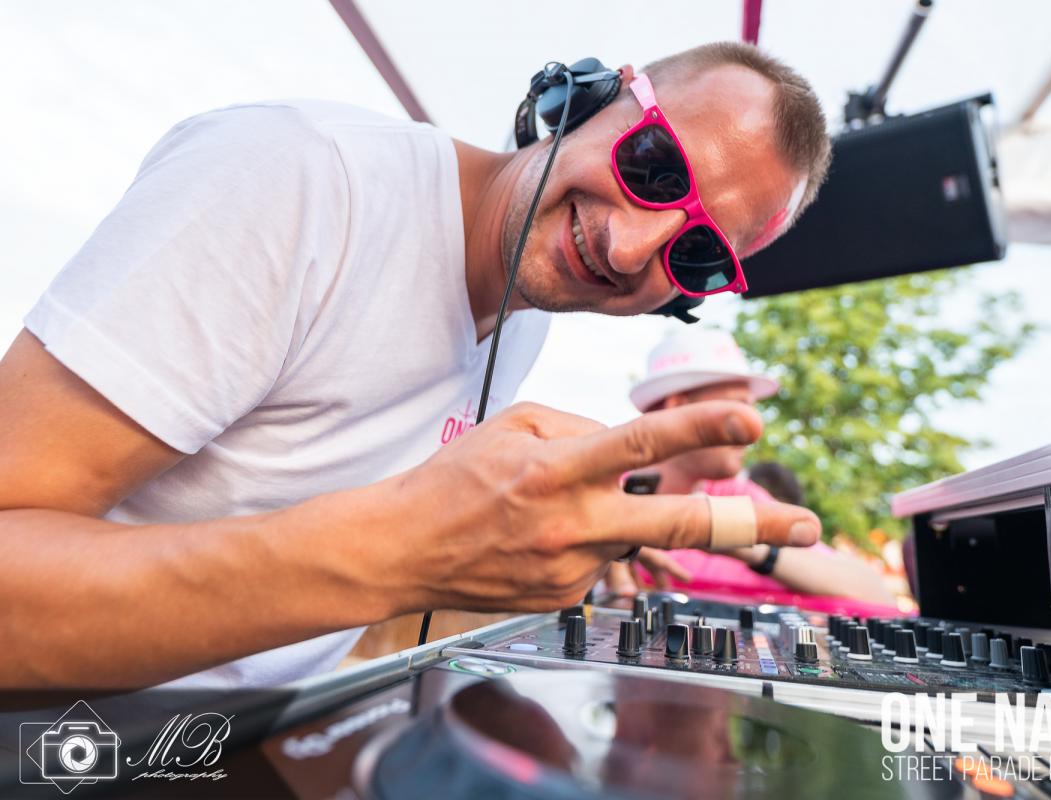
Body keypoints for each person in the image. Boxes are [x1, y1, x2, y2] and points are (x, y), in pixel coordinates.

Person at [0, 43, 832, 688]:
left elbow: (326, 582)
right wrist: (401, 555)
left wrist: (535, 561)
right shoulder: (296, 175)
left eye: (696, 252)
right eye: (655, 168)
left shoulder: (529, 318)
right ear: (588, 97)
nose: (626, 247)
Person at [606, 328, 896, 608]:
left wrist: (735, 537)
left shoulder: (737, 497)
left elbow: (875, 593)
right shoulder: (603, 491)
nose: (754, 430)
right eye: (739, 408)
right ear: (678, 406)